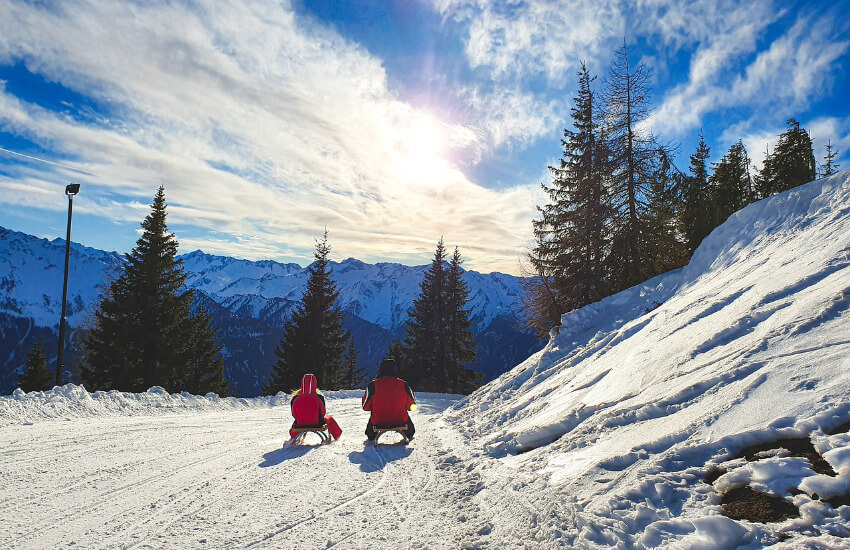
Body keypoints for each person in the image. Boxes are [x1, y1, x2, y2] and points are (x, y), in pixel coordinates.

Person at [362, 358, 417, 441]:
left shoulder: (373, 385)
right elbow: (412, 405)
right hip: (401, 420)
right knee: (411, 432)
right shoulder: (403, 384)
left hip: (378, 421)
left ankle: (372, 435)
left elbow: (365, 407)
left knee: (369, 434)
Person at [290, 373, 342, 440]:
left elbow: (294, 414)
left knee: (295, 424)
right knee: (329, 418)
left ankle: (293, 438)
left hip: (300, 423)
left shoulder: (295, 398)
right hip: (317, 423)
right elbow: (323, 412)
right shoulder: (318, 397)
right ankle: (337, 437)